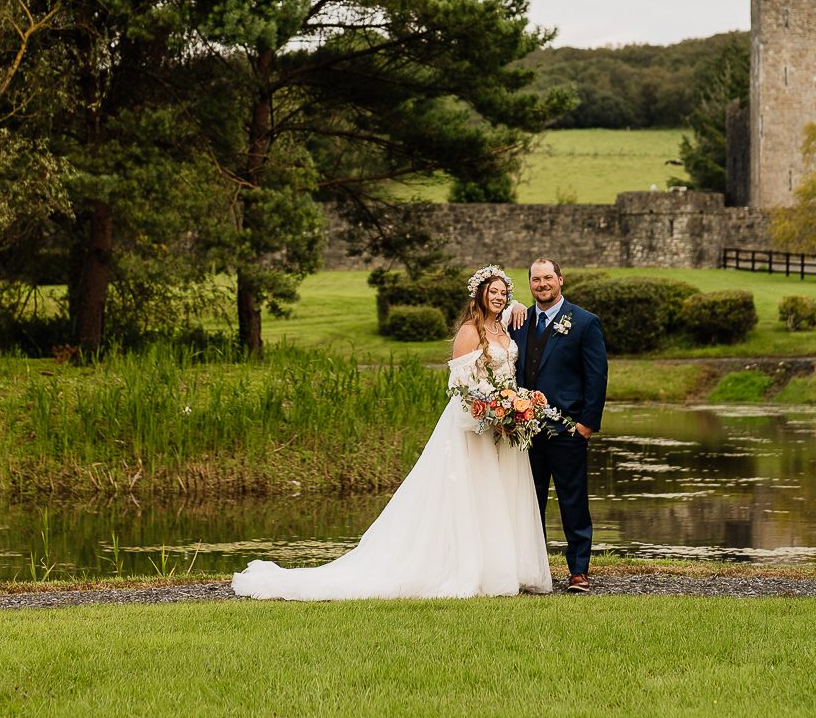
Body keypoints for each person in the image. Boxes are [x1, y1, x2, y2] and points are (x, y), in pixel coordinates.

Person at [231, 266, 552, 600]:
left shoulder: (505, 324)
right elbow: (460, 385)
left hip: (505, 425)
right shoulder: (469, 331)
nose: (498, 297)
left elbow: (511, 363)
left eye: (503, 293)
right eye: (492, 292)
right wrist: (490, 411)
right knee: (475, 495)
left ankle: (501, 569)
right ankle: (469, 569)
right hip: (476, 424)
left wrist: (514, 408)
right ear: (479, 294)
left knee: (498, 495)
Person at [512, 257, 606, 592]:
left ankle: (578, 571)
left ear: (561, 280)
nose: (542, 284)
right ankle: (531, 569)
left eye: (548, 278)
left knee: (573, 500)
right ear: (530, 285)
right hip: (525, 430)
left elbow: (597, 376)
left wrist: (587, 425)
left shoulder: (584, 322)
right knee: (528, 500)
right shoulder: (519, 321)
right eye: (536, 280)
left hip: (567, 428)